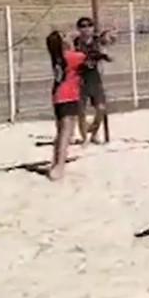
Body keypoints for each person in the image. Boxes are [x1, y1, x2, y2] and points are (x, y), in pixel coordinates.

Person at [45, 30, 89, 181]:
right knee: (66, 132)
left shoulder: (58, 57)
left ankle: (56, 163)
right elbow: (87, 57)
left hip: (59, 95)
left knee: (62, 132)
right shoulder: (70, 57)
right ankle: (59, 166)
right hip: (68, 95)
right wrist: (79, 39)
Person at [73, 16, 114, 145]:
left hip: (94, 77)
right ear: (78, 29)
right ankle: (84, 137)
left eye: (89, 26)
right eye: (82, 26)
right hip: (79, 77)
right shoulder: (75, 43)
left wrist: (105, 52)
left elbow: (109, 52)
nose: (86, 29)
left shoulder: (97, 42)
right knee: (81, 110)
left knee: (101, 108)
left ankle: (94, 132)